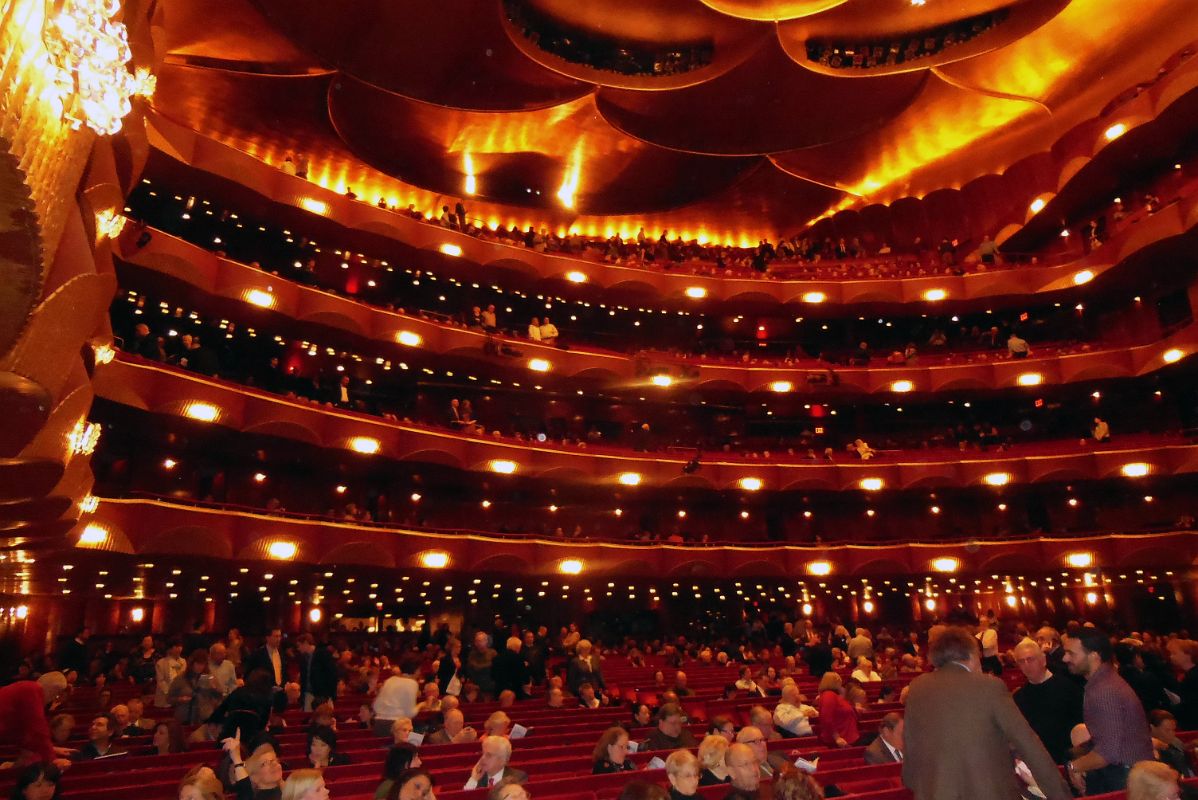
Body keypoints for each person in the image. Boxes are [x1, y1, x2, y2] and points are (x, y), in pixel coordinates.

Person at [903, 626, 1069, 800]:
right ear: (972, 655)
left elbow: (911, 747)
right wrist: (1059, 793)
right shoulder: (989, 686)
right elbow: (1027, 742)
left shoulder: (918, 687)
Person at [1063, 627, 1155, 794]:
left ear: (1094, 656)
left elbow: (1107, 754)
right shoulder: (1105, 683)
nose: (1065, 658)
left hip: (1125, 778)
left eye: (1071, 653)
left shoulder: (1104, 691)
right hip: (1130, 774)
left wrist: (1074, 766)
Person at [1011, 638, 1084, 764]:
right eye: (1021, 661)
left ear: (1043, 660)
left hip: (1067, 760)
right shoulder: (1018, 697)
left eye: (1030, 659)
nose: (1026, 665)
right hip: (1036, 761)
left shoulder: (1069, 689)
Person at [0, 672, 72, 769]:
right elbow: (39, 729)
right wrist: (53, 759)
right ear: (53, 691)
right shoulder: (33, 691)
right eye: (56, 696)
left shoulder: (26, 687)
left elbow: (23, 730)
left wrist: (51, 749)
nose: (52, 700)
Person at [224, 732, 284, 800]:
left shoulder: (289, 791)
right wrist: (236, 758)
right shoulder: (251, 796)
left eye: (274, 760)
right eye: (264, 763)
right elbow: (245, 791)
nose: (274, 764)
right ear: (253, 777)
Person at [463, 735, 527, 790]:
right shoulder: (475, 776)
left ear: (503, 761)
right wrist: (473, 779)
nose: (482, 758)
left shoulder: (516, 777)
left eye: (489, 755)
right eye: (482, 754)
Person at [816, 673, 859, 747]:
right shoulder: (828, 695)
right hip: (841, 740)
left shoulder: (835, 696)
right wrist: (837, 738)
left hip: (847, 737)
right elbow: (826, 718)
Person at [296, 635, 337, 712]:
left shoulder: (323, 654)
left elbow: (332, 674)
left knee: (325, 715)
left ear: (305, 643)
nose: (298, 648)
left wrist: (329, 694)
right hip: (308, 694)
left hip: (323, 694)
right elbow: (303, 679)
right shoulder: (303, 659)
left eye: (299, 645)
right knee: (308, 716)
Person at [1148, 710, 1194, 778]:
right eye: (1167, 730)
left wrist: (1191, 745)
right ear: (1152, 728)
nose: (1172, 734)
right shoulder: (1149, 749)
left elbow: (1183, 748)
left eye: (1173, 730)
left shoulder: (1174, 740)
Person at [373, 672, 419, 737]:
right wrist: (421, 705)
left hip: (379, 724)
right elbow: (411, 713)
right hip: (398, 726)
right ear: (416, 671)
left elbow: (376, 706)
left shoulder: (390, 680)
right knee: (418, 739)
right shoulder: (412, 683)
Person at [1166, 639, 1198, 729]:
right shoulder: (1188, 674)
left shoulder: (1193, 677)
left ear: (1188, 655)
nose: (1171, 656)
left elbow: (1190, 706)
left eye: (1174, 653)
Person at [464, 631, 498, 699]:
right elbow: (470, 669)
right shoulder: (472, 654)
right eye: (476, 641)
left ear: (486, 641)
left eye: (480, 641)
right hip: (475, 682)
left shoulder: (493, 653)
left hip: (489, 683)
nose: (478, 643)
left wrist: (479, 667)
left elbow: (495, 671)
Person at [155, 640, 186, 707]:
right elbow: (161, 681)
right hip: (165, 698)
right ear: (169, 649)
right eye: (176, 646)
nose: (179, 648)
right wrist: (170, 693)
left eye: (180, 646)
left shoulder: (183, 661)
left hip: (181, 697)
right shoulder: (160, 663)